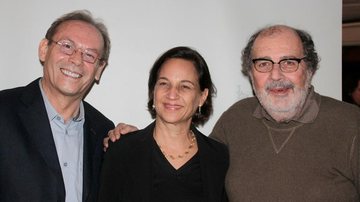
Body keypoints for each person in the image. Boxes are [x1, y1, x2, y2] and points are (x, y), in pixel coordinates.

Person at [210, 25, 360, 201]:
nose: (275, 75)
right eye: (263, 64)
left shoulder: (351, 124)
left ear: (309, 70)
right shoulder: (235, 119)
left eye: (289, 62)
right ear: (251, 74)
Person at [0, 10, 134, 202]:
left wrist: (136, 146)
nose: (76, 60)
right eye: (67, 46)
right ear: (44, 49)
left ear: (99, 69)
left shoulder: (103, 131)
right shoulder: (4, 111)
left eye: (89, 55)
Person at [98, 46, 229, 202]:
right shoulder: (121, 151)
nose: (172, 94)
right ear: (153, 90)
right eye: (164, 83)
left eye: (185, 86)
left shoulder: (219, 157)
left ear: (202, 97)